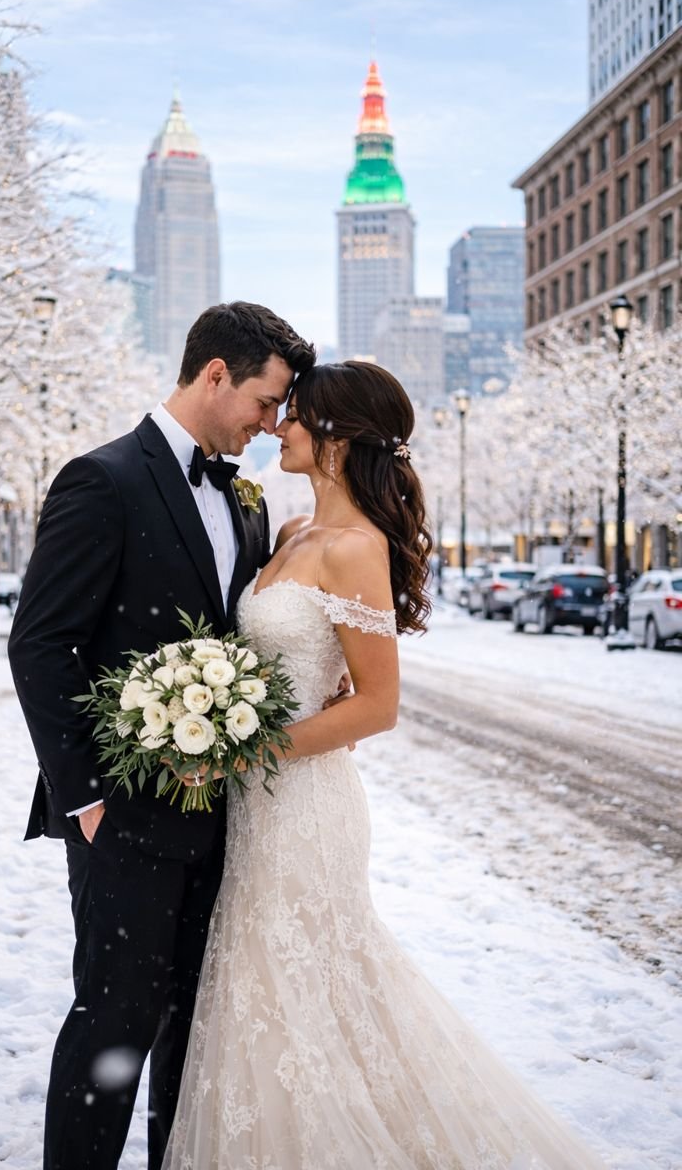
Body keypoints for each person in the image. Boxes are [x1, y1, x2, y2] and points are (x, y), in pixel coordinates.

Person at [162, 361, 609, 1169]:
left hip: (305, 808)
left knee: (300, 982)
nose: (277, 426)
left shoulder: (357, 548)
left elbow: (376, 705)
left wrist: (240, 751)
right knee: (273, 994)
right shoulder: (293, 532)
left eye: (293, 416)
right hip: (258, 805)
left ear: (335, 436)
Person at [7, 301, 316, 1170]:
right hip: (124, 817)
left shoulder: (248, 502)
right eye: (265, 401)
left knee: (198, 1029)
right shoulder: (101, 480)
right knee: (114, 1026)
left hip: (225, 818)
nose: (269, 425)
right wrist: (90, 801)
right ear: (216, 374)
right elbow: (39, 643)